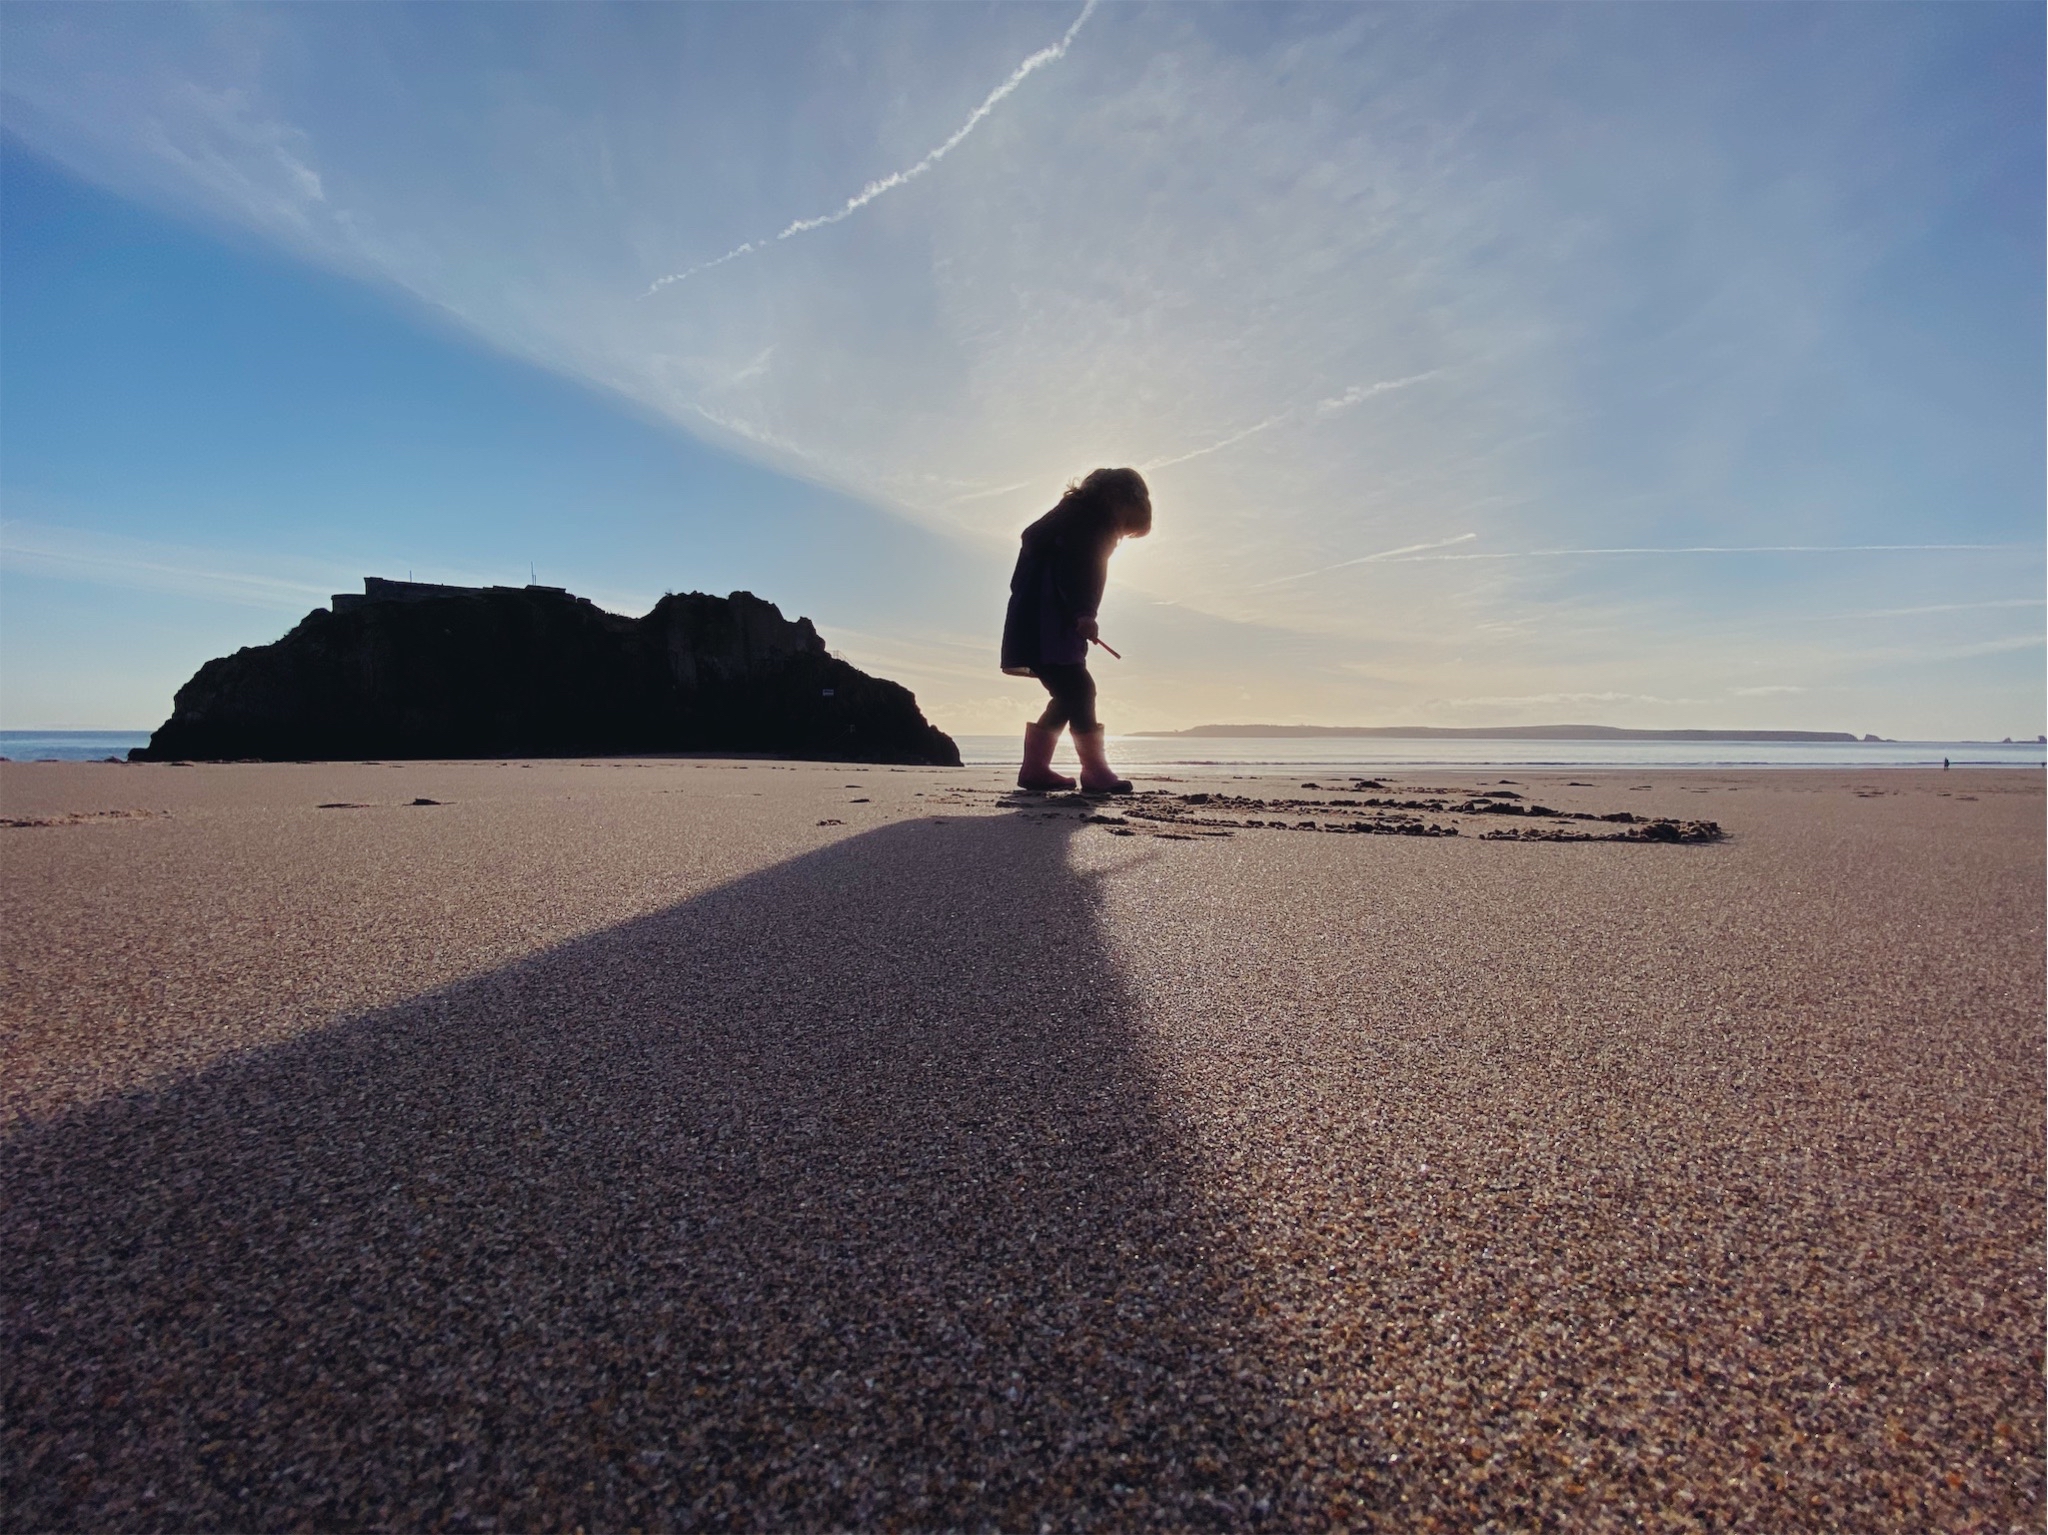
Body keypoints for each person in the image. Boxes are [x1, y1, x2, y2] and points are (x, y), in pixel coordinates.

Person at [1000, 467, 1151, 793]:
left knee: (1071, 692)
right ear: (1120, 500)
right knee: (1078, 689)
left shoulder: (1064, 518)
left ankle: (1037, 769)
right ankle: (1093, 771)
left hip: (1037, 622)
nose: (1121, 534)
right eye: (1125, 527)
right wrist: (1085, 612)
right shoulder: (1090, 522)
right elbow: (1080, 570)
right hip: (1050, 624)